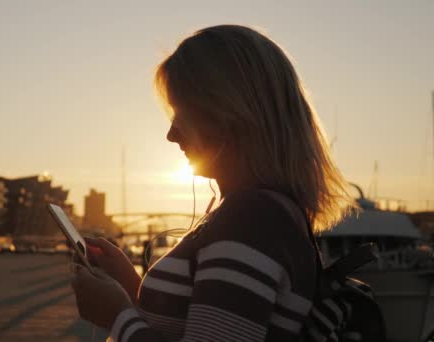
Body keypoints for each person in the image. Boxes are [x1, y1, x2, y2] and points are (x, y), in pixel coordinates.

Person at [71, 25, 353, 341]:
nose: (171, 134)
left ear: (226, 112)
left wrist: (117, 316)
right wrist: (129, 284)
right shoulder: (261, 213)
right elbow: (204, 323)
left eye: (180, 114)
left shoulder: (252, 219)